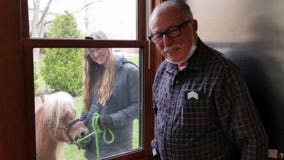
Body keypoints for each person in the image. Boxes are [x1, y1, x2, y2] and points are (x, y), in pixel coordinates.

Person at [148, 1, 269, 160]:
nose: (166, 42)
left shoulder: (222, 73)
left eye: (173, 30)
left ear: (193, 26)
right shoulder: (162, 71)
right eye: (158, 36)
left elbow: (253, 141)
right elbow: (159, 122)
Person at [78, 31, 139, 160]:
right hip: (92, 151)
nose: (95, 54)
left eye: (98, 48)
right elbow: (87, 107)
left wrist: (112, 119)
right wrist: (80, 128)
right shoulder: (93, 72)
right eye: (91, 51)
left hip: (118, 150)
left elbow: (139, 107)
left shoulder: (130, 72)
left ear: (108, 46)